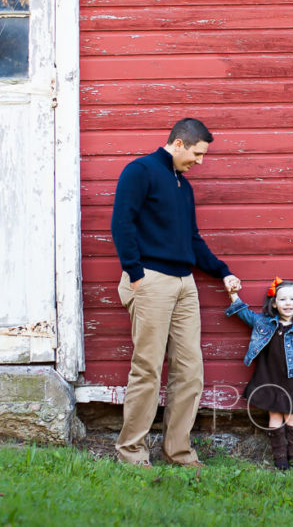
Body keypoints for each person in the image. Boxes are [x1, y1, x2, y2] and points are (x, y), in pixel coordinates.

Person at [111, 118, 241, 467]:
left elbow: (192, 240)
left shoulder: (183, 186)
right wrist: (136, 274)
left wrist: (222, 271)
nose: (199, 162)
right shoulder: (140, 170)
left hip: (185, 283)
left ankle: (178, 452)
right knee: (148, 368)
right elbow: (121, 222)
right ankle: (131, 453)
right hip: (151, 280)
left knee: (190, 370)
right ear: (179, 143)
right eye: (197, 154)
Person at [226, 277, 293, 470]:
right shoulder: (263, 323)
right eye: (282, 299)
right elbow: (243, 313)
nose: (288, 303)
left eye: (292, 299)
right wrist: (233, 294)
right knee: (274, 416)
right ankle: (280, 461)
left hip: (289, 379)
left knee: (291, 416)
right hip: (268, 377)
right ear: (274, 303)